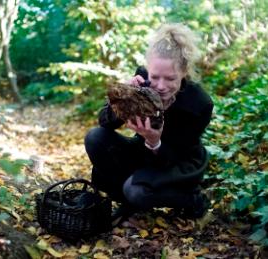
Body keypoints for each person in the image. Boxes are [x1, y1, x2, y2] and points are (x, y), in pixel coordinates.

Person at [84, 23, 213, 226]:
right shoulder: (142, 78)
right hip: (143, 151)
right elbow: (105, 122)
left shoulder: (200, 104)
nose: (161, 86)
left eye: (170, 78)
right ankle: (127, 203)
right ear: (148, 70)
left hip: (178, 162)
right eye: (155, 77)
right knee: (95, 138)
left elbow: (174, 156)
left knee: (136, 191)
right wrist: (123, 97)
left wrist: (154, 140)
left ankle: (192, 199)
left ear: (184, 72)